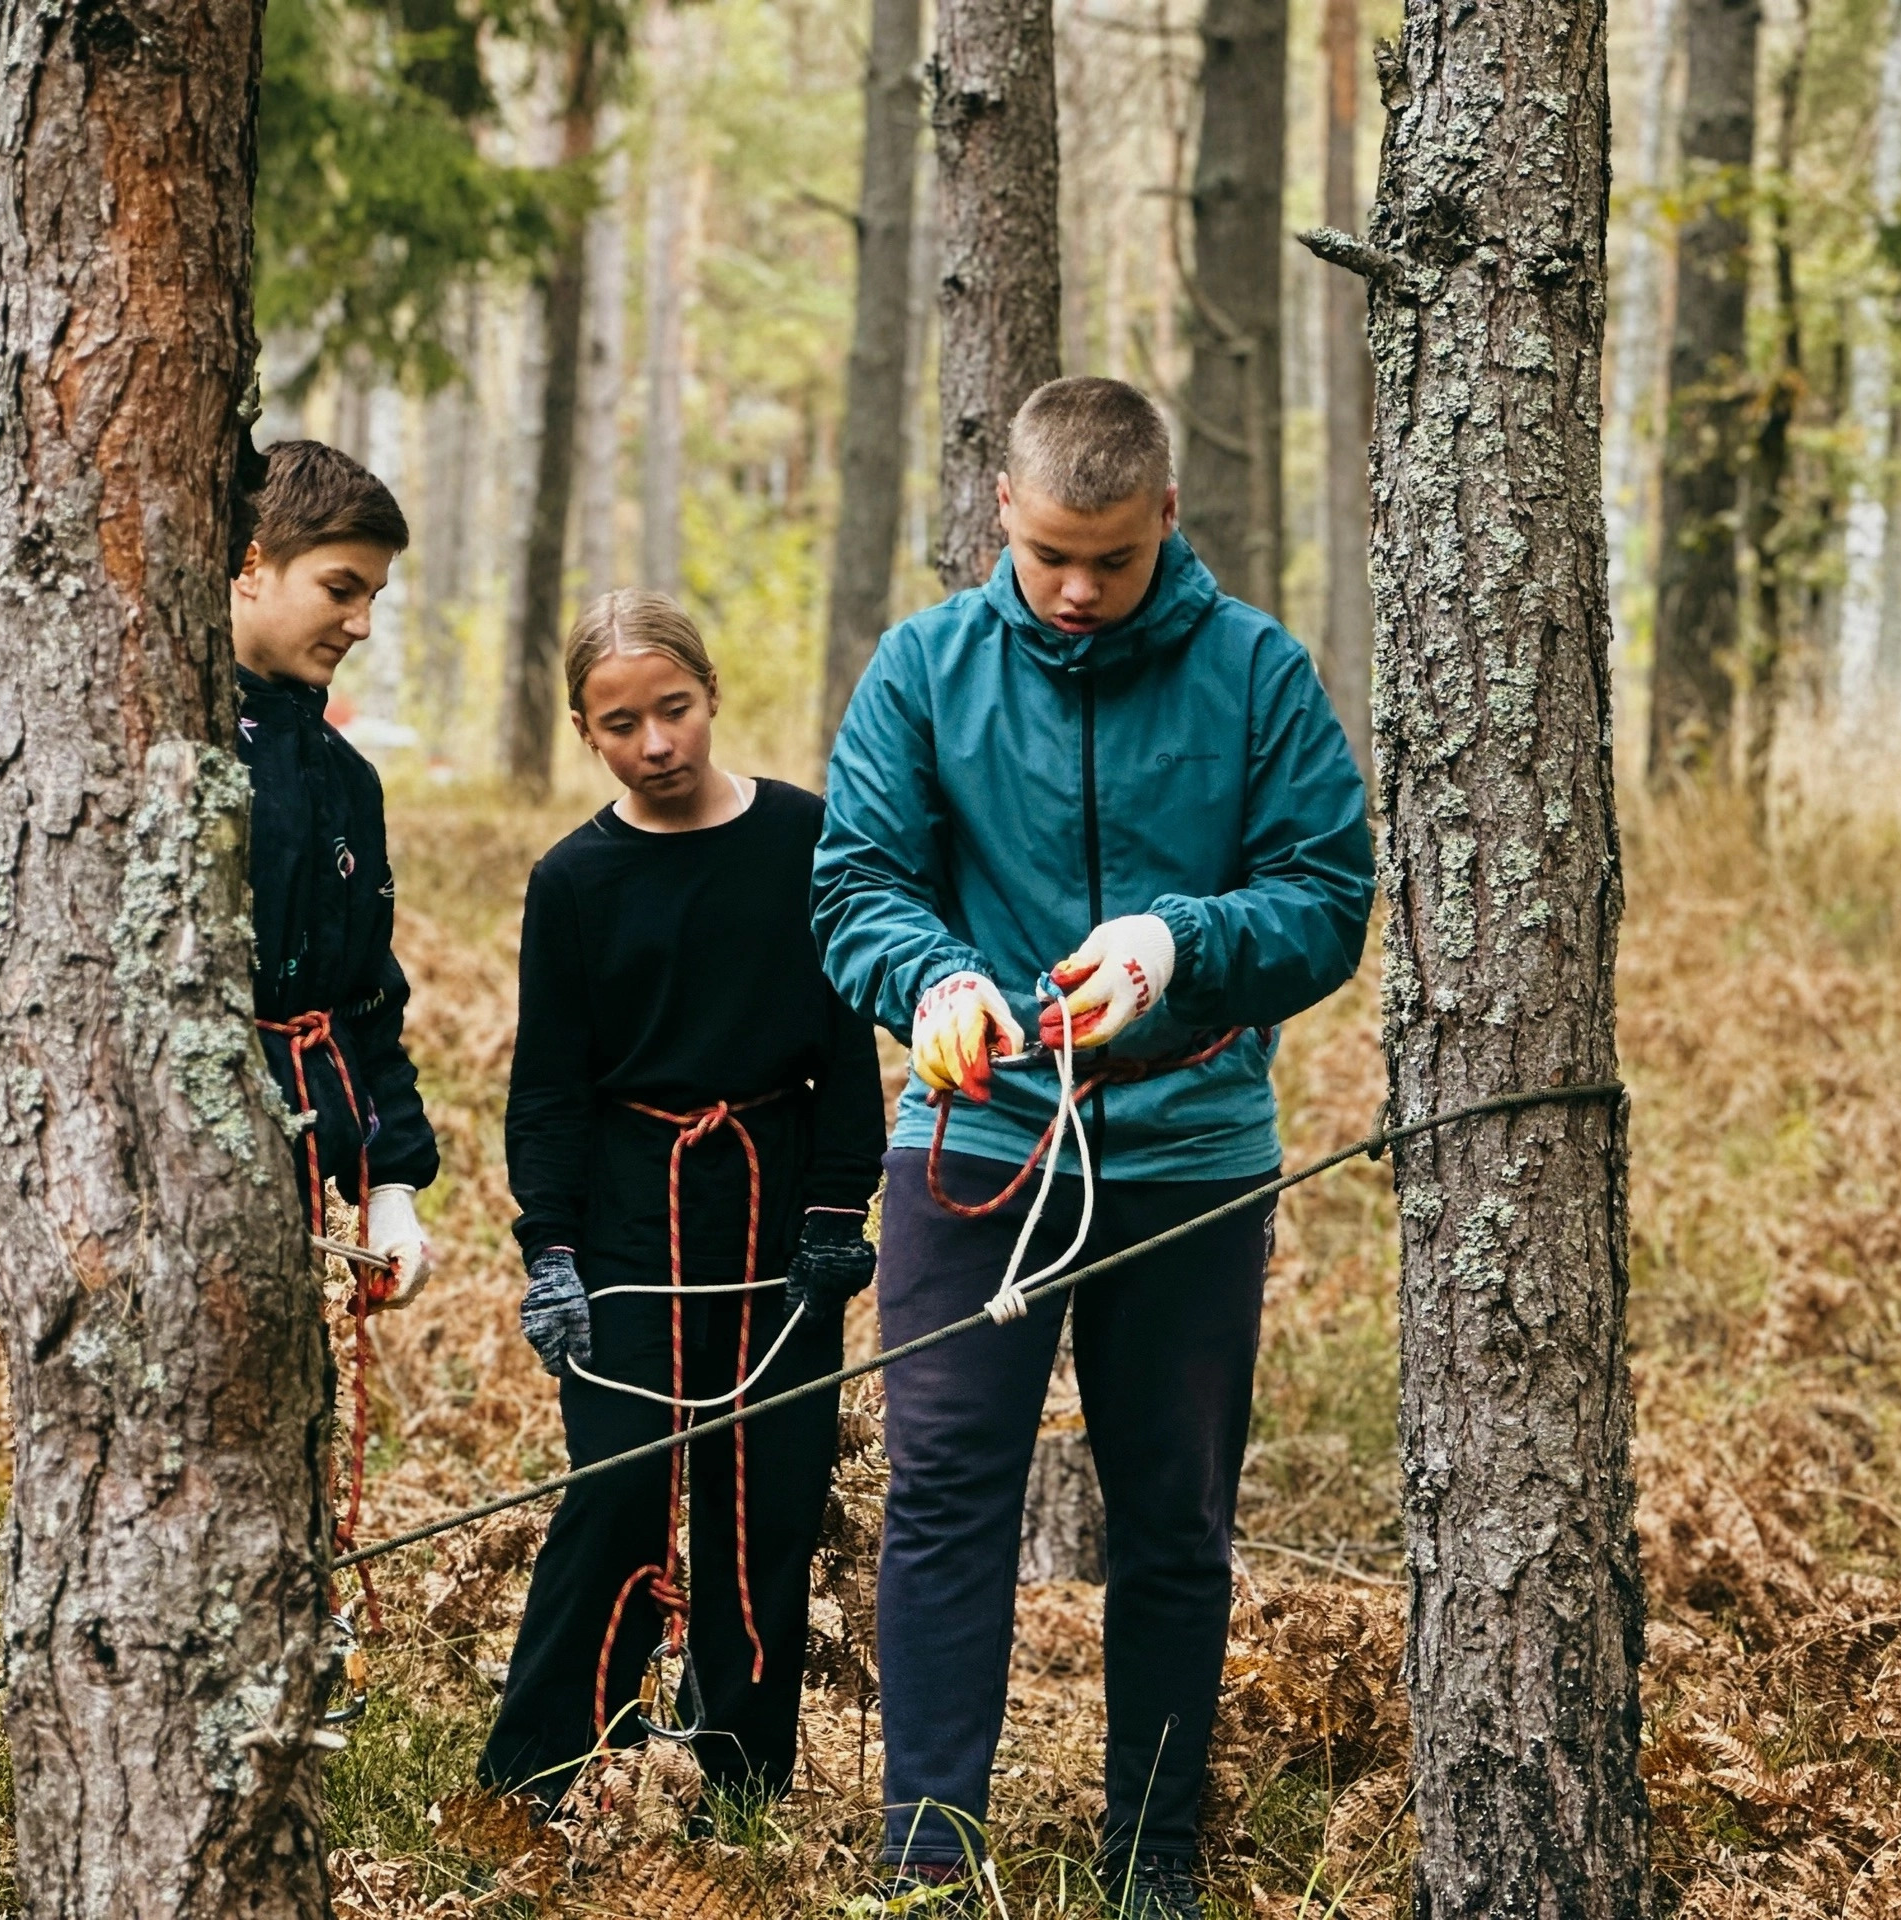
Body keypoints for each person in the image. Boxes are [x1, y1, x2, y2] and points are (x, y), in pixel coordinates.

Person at [814, 377, 1374, 1916]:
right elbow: (856, 878)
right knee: (942, 1492)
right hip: (971, 1145)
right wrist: (927, 977)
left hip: (1191, 1154)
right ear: (1002, 509)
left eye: (1112, 561)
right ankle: (927, 1854)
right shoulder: (922, 670)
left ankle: (1156, 1859)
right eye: (1053, 551)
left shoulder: (1257, 673)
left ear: (1169, 521)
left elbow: (1328, 896)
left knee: (1174, 1510)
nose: (1076, 588)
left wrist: (1177, 946)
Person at [481, 591, 885, 1813]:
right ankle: (552, 1771)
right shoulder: (573, 880)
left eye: (673, 710)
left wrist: (833, 1213)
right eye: (620, 722)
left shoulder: (804, 838)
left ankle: (739, 1776)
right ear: (583, 731)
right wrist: (548, 1248)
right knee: (617, 1490)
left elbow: (844, 1045)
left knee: (764, 1502)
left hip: (773, 1208)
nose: (655, 743)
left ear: (710, 697)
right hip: (628, 1218)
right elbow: (547, 1082)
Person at [232, 439, 439, 1299]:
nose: (361, 624)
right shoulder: (166, 745)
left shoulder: (348, 779)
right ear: (252, 564)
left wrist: (391, 1191)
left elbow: (365, 996)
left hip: (308, 1195)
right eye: (339, 589)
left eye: (373, 597)